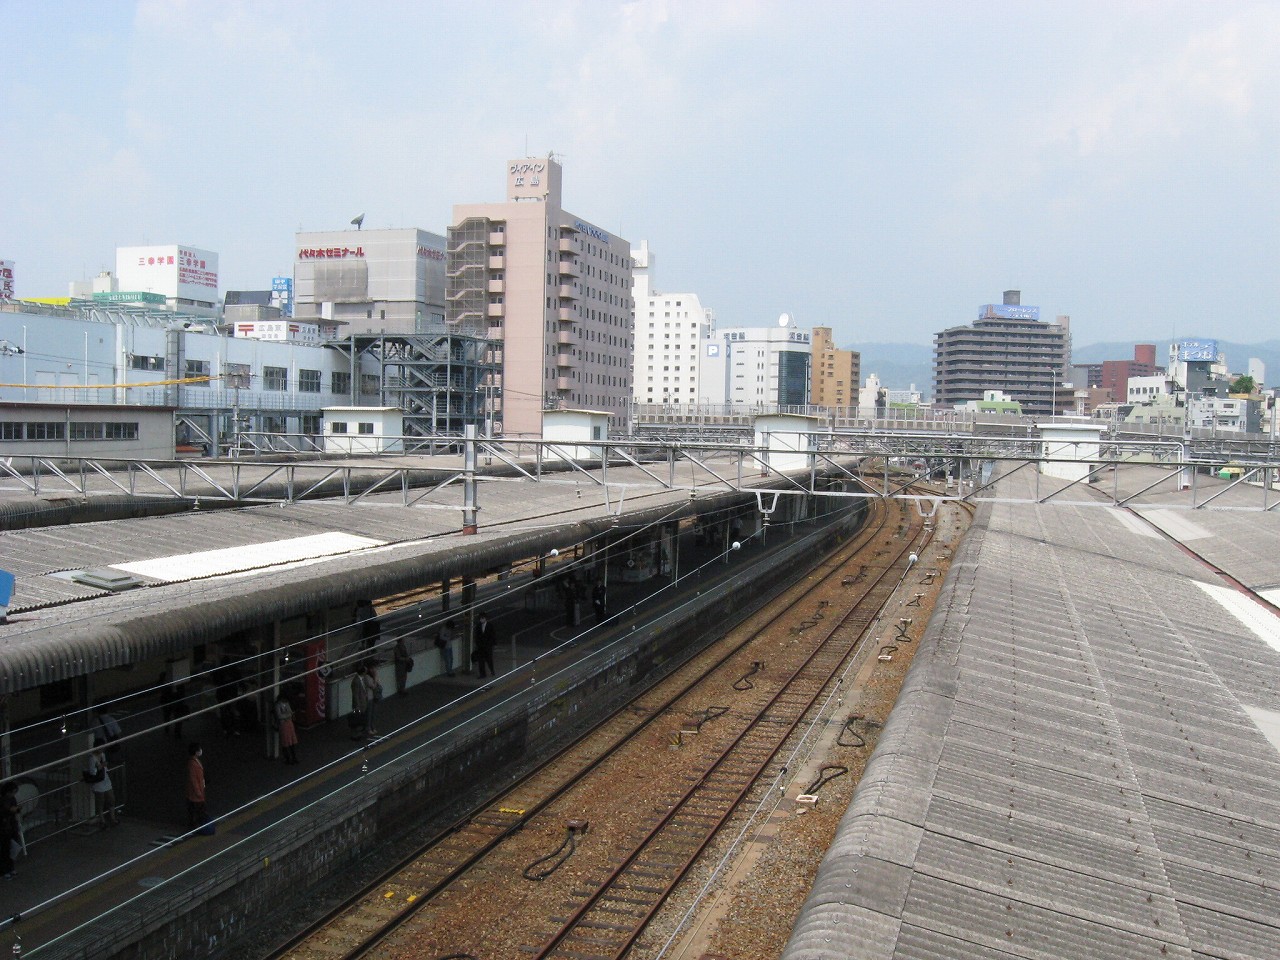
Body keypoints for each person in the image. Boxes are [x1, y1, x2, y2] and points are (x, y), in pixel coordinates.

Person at [85, 738, 118, 828]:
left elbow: (105, 768)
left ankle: (112, 818)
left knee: (111, 799)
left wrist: (104, 767)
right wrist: (101, 766)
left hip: (105, 779)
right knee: (100, 802)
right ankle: (102, 820)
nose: (102, 749)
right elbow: (92, 772)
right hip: (98, 782)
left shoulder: (102, 755)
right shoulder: (92, 758)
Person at [274, 690, 299, 764]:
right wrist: (288, 715)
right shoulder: (278, 705)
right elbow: (280, 716)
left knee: (291, 741)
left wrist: (287, 715)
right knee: (285, 742)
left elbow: (289, 712)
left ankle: (293, 757)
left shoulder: (286, 703)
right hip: (283, 725)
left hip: (289, 723)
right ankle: (288, 758)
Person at [0, 783, 19, 878]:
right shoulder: (2, 801)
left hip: (11, 826)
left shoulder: (12, 799)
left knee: (11, 849)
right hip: (4, 828)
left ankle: (10, 868)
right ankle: (5, 870)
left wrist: (16, 810)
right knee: (5, 850)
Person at [186, 742, 206, 831]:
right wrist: (198, 791)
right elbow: (193, 779)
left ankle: (197, 824)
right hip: (195, 792)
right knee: (197, 808)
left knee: (198, 808)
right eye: (199, 749)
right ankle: (195, 825)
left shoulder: (196, 761)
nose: (200, 751)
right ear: (196, 751)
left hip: (199, 790)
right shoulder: (192, 764)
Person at [474, 613, 497, 679]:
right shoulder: (478, 626)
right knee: (481, 660)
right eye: (480, 618)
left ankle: (492, 670)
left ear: (485, 618)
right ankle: (482, 674)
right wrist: (477, 644)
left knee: (489, 659)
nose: (481, 620)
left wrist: (493, 644)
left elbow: (493, 635)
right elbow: (477, 636)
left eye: (482, 618)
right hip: (480, 646)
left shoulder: (490, 625)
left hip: (488, 646)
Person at [350, 666, 370, 739]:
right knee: (357, 720)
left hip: (363, 702)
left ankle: (360, 733)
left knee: (362, 719)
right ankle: (356, 734)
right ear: (363, 672)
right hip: (359, 705)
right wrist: (357, 706)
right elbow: (355, 695)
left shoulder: (363, 679)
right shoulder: (356, 681)